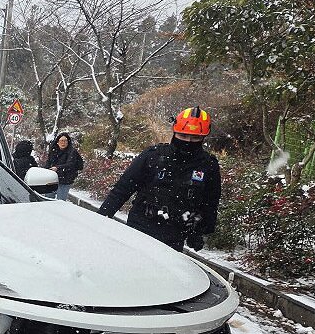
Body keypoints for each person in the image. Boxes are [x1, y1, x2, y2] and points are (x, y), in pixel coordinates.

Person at [98, 106, 221, 252]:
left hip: (174, 235)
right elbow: (123, 188)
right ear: (175, 132)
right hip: (139, 227)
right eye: (183, 136)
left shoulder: (208, 165)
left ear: (203, 137)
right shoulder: (153, 156)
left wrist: (199, 230)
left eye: (195, 138)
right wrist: (101, 218)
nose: (188, 141)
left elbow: (210, 202)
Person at [45, 132, 83, 200]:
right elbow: (49, 162)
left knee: (61, 201)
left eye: (65, 141)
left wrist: (57, 168)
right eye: (61, 141)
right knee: (48, 199)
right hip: (52, 179)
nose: (63, 143)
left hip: (65, 179)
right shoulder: (53, 150)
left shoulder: (72, 151)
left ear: (68, 142)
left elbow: (70, 164)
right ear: (57, 142)